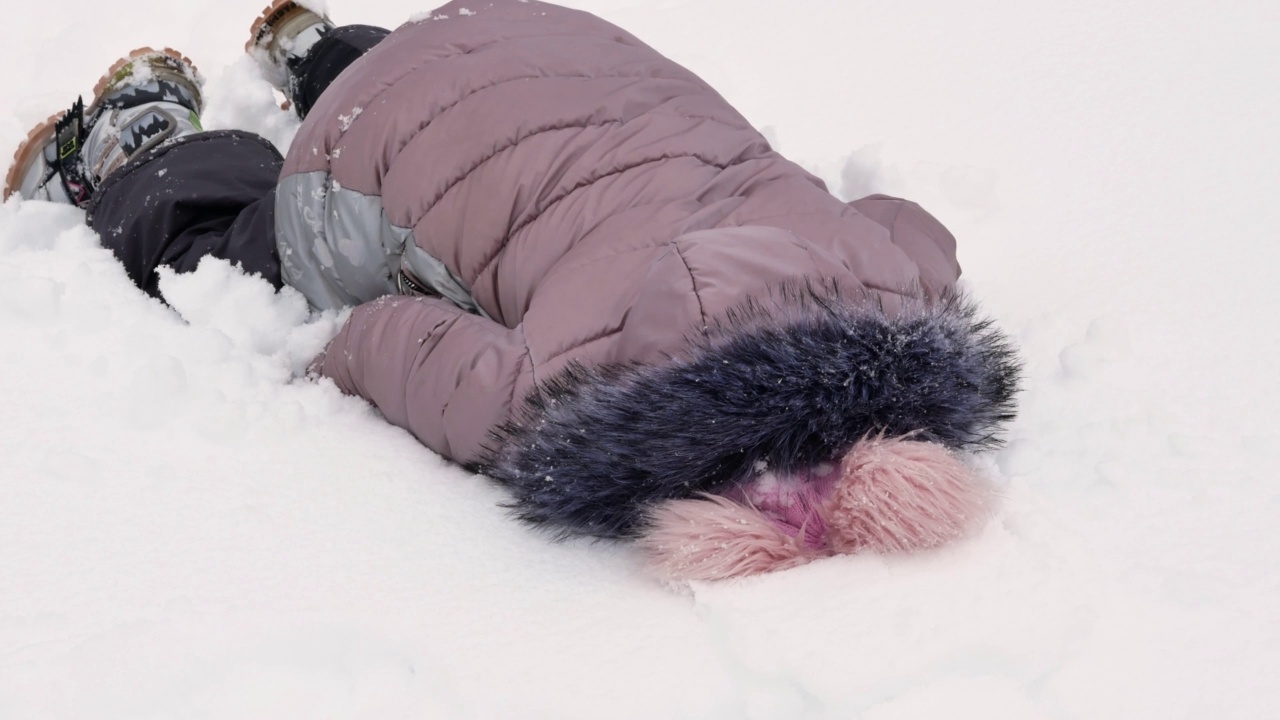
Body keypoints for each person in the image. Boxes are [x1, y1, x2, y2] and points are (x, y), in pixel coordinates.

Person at [5, 0, 1020, 580]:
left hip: (543, 41)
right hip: (375, 140)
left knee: (459, 105)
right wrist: (316, 351)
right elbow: (385, 338)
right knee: (260, 246)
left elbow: (907, 222)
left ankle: (322, 51)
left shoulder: (890, 284)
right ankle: (143, 148)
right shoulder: (570, 391)